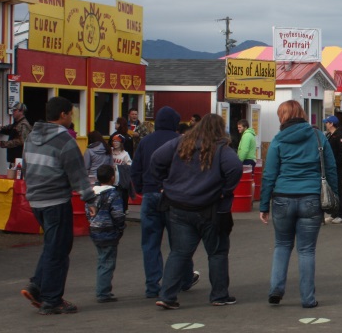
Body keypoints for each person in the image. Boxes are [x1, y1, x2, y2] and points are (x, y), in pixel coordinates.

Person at [150, 114, 243, 309]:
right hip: (209, 207)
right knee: (217, 252)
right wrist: (224, 191)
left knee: (179, 252)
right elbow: (235, 168)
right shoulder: (221, 149)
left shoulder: (181, 143)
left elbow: (156, 159)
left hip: (177, 205)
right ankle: (219, 295)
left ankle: (167, 296)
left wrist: (164, 183)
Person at [19, 96, 96, 315]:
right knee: (59, 250)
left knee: (53, 245)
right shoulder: (65, 140)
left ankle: (36, 286)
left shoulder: (31, 137)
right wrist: (89, 199)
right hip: (56, 201)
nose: (72, 118)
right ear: (63, 115)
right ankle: (52, 300)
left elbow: (25, 167)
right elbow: (77, 174)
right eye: (71, 113)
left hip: (36, 200)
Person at [259, 100, 336, 308]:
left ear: (282, 117)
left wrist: (264, 205)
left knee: (282, 245)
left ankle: (276, 289)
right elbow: (331, 169)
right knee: (307, 250)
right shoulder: (318, 137)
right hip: (311, 198)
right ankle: (308, 299)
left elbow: (269, 175)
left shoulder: (278, 140)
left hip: (282, 198)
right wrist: (334, 199)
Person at [132, 106, 198, 299]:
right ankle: (184, 279)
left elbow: (136, 169)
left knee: (150, 243)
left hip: (150, 195)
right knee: (179, 241)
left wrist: (140, 188)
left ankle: (152, 285)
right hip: (173, 196)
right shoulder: (180, 141)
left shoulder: (145, 141)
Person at [87, 164, 126, 304]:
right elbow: (118, 215)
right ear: (112, 177)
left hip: (95, 230)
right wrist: (121, 228)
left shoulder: (92, 193)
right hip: (109, 232)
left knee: (102, 259)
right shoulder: (113, 194)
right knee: (108, 262)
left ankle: (102, 289)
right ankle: (103, 292)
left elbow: (88, 212)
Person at [323, 115, 342, 223]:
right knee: (332, 189)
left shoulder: (340, 135)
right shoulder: (329, 135)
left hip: (337, 167)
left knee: (339, 190)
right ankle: (334, 212)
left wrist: (335, 163)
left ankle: (341, 214)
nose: (326, 124)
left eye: (327, 122)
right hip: (330, 167)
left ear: (331, 123)